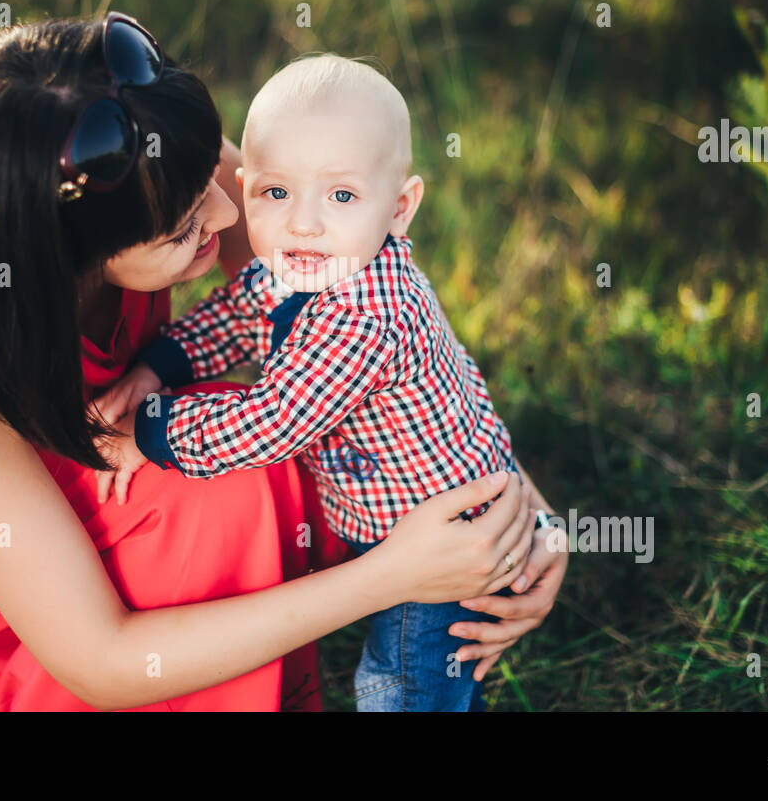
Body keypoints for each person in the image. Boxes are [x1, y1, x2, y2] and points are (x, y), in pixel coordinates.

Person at [0, 13, 568, 711]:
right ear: (62, 258)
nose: (227, 204)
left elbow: (371, 318)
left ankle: (114, 597)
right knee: (221, 490)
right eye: (185, 228)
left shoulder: (120, 128)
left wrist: (499, 499)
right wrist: (394, 575)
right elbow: (100, 655)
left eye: (224, 178)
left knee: (260, 454)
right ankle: (24, 658)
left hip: (76, 423)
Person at [93, 53, 554, 711]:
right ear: (245, 186)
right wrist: (159, 365)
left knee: (399, 683)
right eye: (276, 193)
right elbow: (236, 313)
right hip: (390, 513)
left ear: (400, 208)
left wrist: (153, 430)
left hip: (448, 539)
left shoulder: (364, 314)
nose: (303, 222)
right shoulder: (304, 263)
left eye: (341, 195)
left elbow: (271, 421)